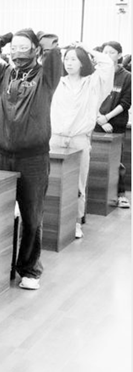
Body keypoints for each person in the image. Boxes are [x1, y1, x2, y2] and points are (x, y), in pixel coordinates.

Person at [0, 28, 61, 291]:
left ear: (35, 49)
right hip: (1, 153)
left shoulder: (45, 75)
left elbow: (54, 53)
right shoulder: (2, 73)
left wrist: (42, 38)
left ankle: (29, 269)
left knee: (31, 216)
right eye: (14, 48)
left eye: (24, 47)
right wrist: (3, 39)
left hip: (33, 158)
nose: (17, 52)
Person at [50, 44, 113, 239]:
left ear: (83, 62)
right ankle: (49, 222)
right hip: (55, 138)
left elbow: (108, 63)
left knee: (78, 184)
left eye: (74, 59)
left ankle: (76, 222)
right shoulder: (57, 81)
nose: (69, 63)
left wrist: (86, 49)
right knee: (51, 182)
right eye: (66, 59)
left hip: (79, 140)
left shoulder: (93, 83)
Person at [94, 41, 131, 208]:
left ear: (119, 55)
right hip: (96, 122)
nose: (107, 55)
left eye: (112, 52)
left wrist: (107, 118)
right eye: (105, 52)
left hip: (116, 124)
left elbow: (126, 102)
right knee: (96, 159)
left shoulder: (127, 77)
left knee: (117, 161)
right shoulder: (97, 74)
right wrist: (99, 118)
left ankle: (121, 194)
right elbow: (90, 98)